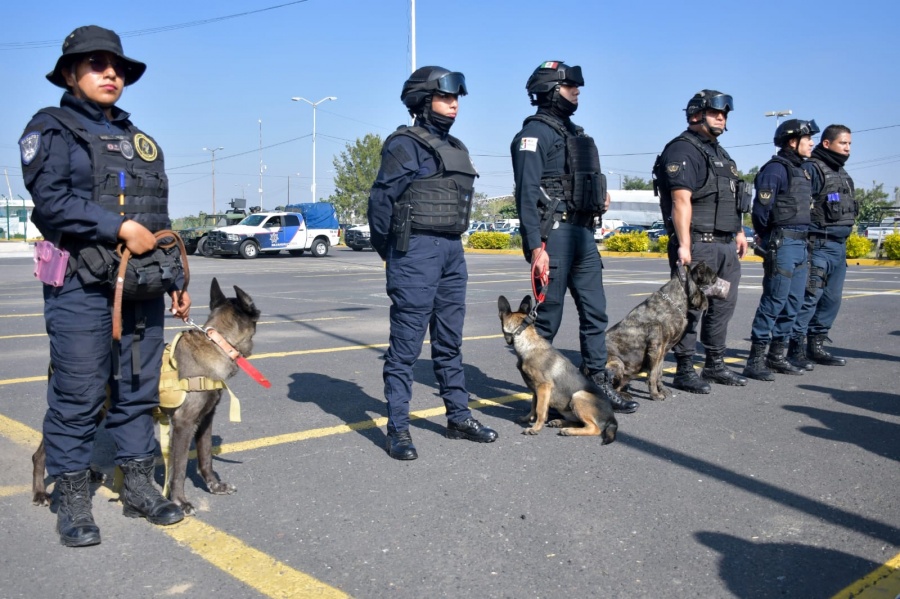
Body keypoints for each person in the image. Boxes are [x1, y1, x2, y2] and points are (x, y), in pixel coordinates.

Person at [19, 25, 190, 547]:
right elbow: (51, 203)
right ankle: (72, 498)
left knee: (138, 388)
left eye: (115, 66)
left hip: (141, 284)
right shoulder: (51, 129)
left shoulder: (138, 140)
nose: (110, 72)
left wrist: (175, 278)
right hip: (80, 284)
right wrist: (117, 228)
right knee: (78, 392)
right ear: (70, 74)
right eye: (95, 64)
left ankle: (138, 483)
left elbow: (154, 215)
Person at [367, 66, 498, 461]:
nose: (454, 103)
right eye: (445, 97)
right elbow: (380, 203)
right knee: (406, 347)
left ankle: (458, 417)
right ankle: (399, 430)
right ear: (423, 101)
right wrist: (392, 253)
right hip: (416, 251)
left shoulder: (455, 145)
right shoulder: (403, 145)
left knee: (449, 342)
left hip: (451, 251)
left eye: (456, 97)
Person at [510, 60, 638, 414]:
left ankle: (596, 383)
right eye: (569, 87)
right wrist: (536, 247)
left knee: (595, 312)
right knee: (547, 320)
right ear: (551, 91)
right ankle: (543, 394)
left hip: (582, 233)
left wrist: (599, 197)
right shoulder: (533, 135)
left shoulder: (574, 132)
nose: (576, 92)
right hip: (555, 236)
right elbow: (526, 194)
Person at [654, 90, 750, 394]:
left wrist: (738, 232)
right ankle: (684, 368)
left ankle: (715, 363)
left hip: (724, 245)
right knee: (690, 308)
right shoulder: (682, 150)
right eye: (715, 112)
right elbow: (680, 201)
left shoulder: (722, 155)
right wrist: (684, 245)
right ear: (696, 114)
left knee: (722, 305)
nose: (721, 117)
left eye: (724, 113)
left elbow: (733, 199)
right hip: (699, 244)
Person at [743, 119, 819, 381]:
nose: (811, 143)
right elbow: (761, 211)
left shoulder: (804, 170)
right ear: (792, 141)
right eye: (807, 138)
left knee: (794, 302)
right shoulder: (775, 170)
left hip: (800, 244)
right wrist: (768, 238)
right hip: (783, 242)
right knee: (774, 300)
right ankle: (755, 360)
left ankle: (777, 356)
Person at [789, 125, 856, 368]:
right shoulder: (812, 169)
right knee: (809, 298)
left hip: (839, 247)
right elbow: (799, 209)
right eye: (843, 143)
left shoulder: (841, 173)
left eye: (849, 144)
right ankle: (794, 348)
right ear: (827, 144)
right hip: (817, 245)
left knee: (831, 300)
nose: (848, 148)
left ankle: (816, 345)